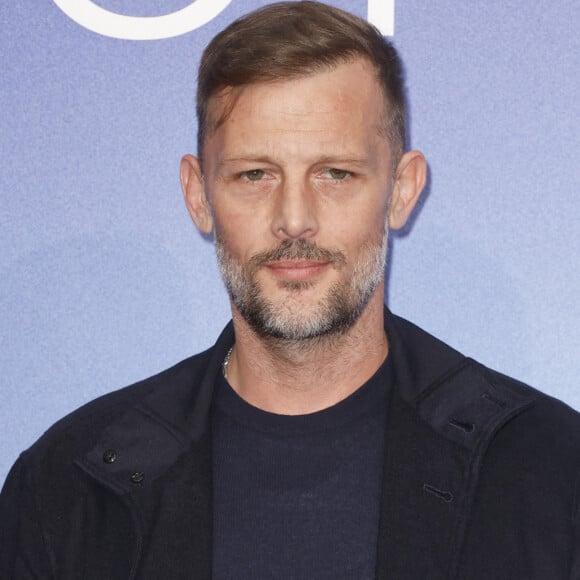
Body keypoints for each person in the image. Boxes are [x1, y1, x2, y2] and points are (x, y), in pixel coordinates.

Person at [1, 1, 579, 578]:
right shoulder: (67, 491)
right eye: (255, 175)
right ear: (199, 195)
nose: (295, 219)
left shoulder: (550, 472)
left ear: (402, 190)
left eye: (336, 173)